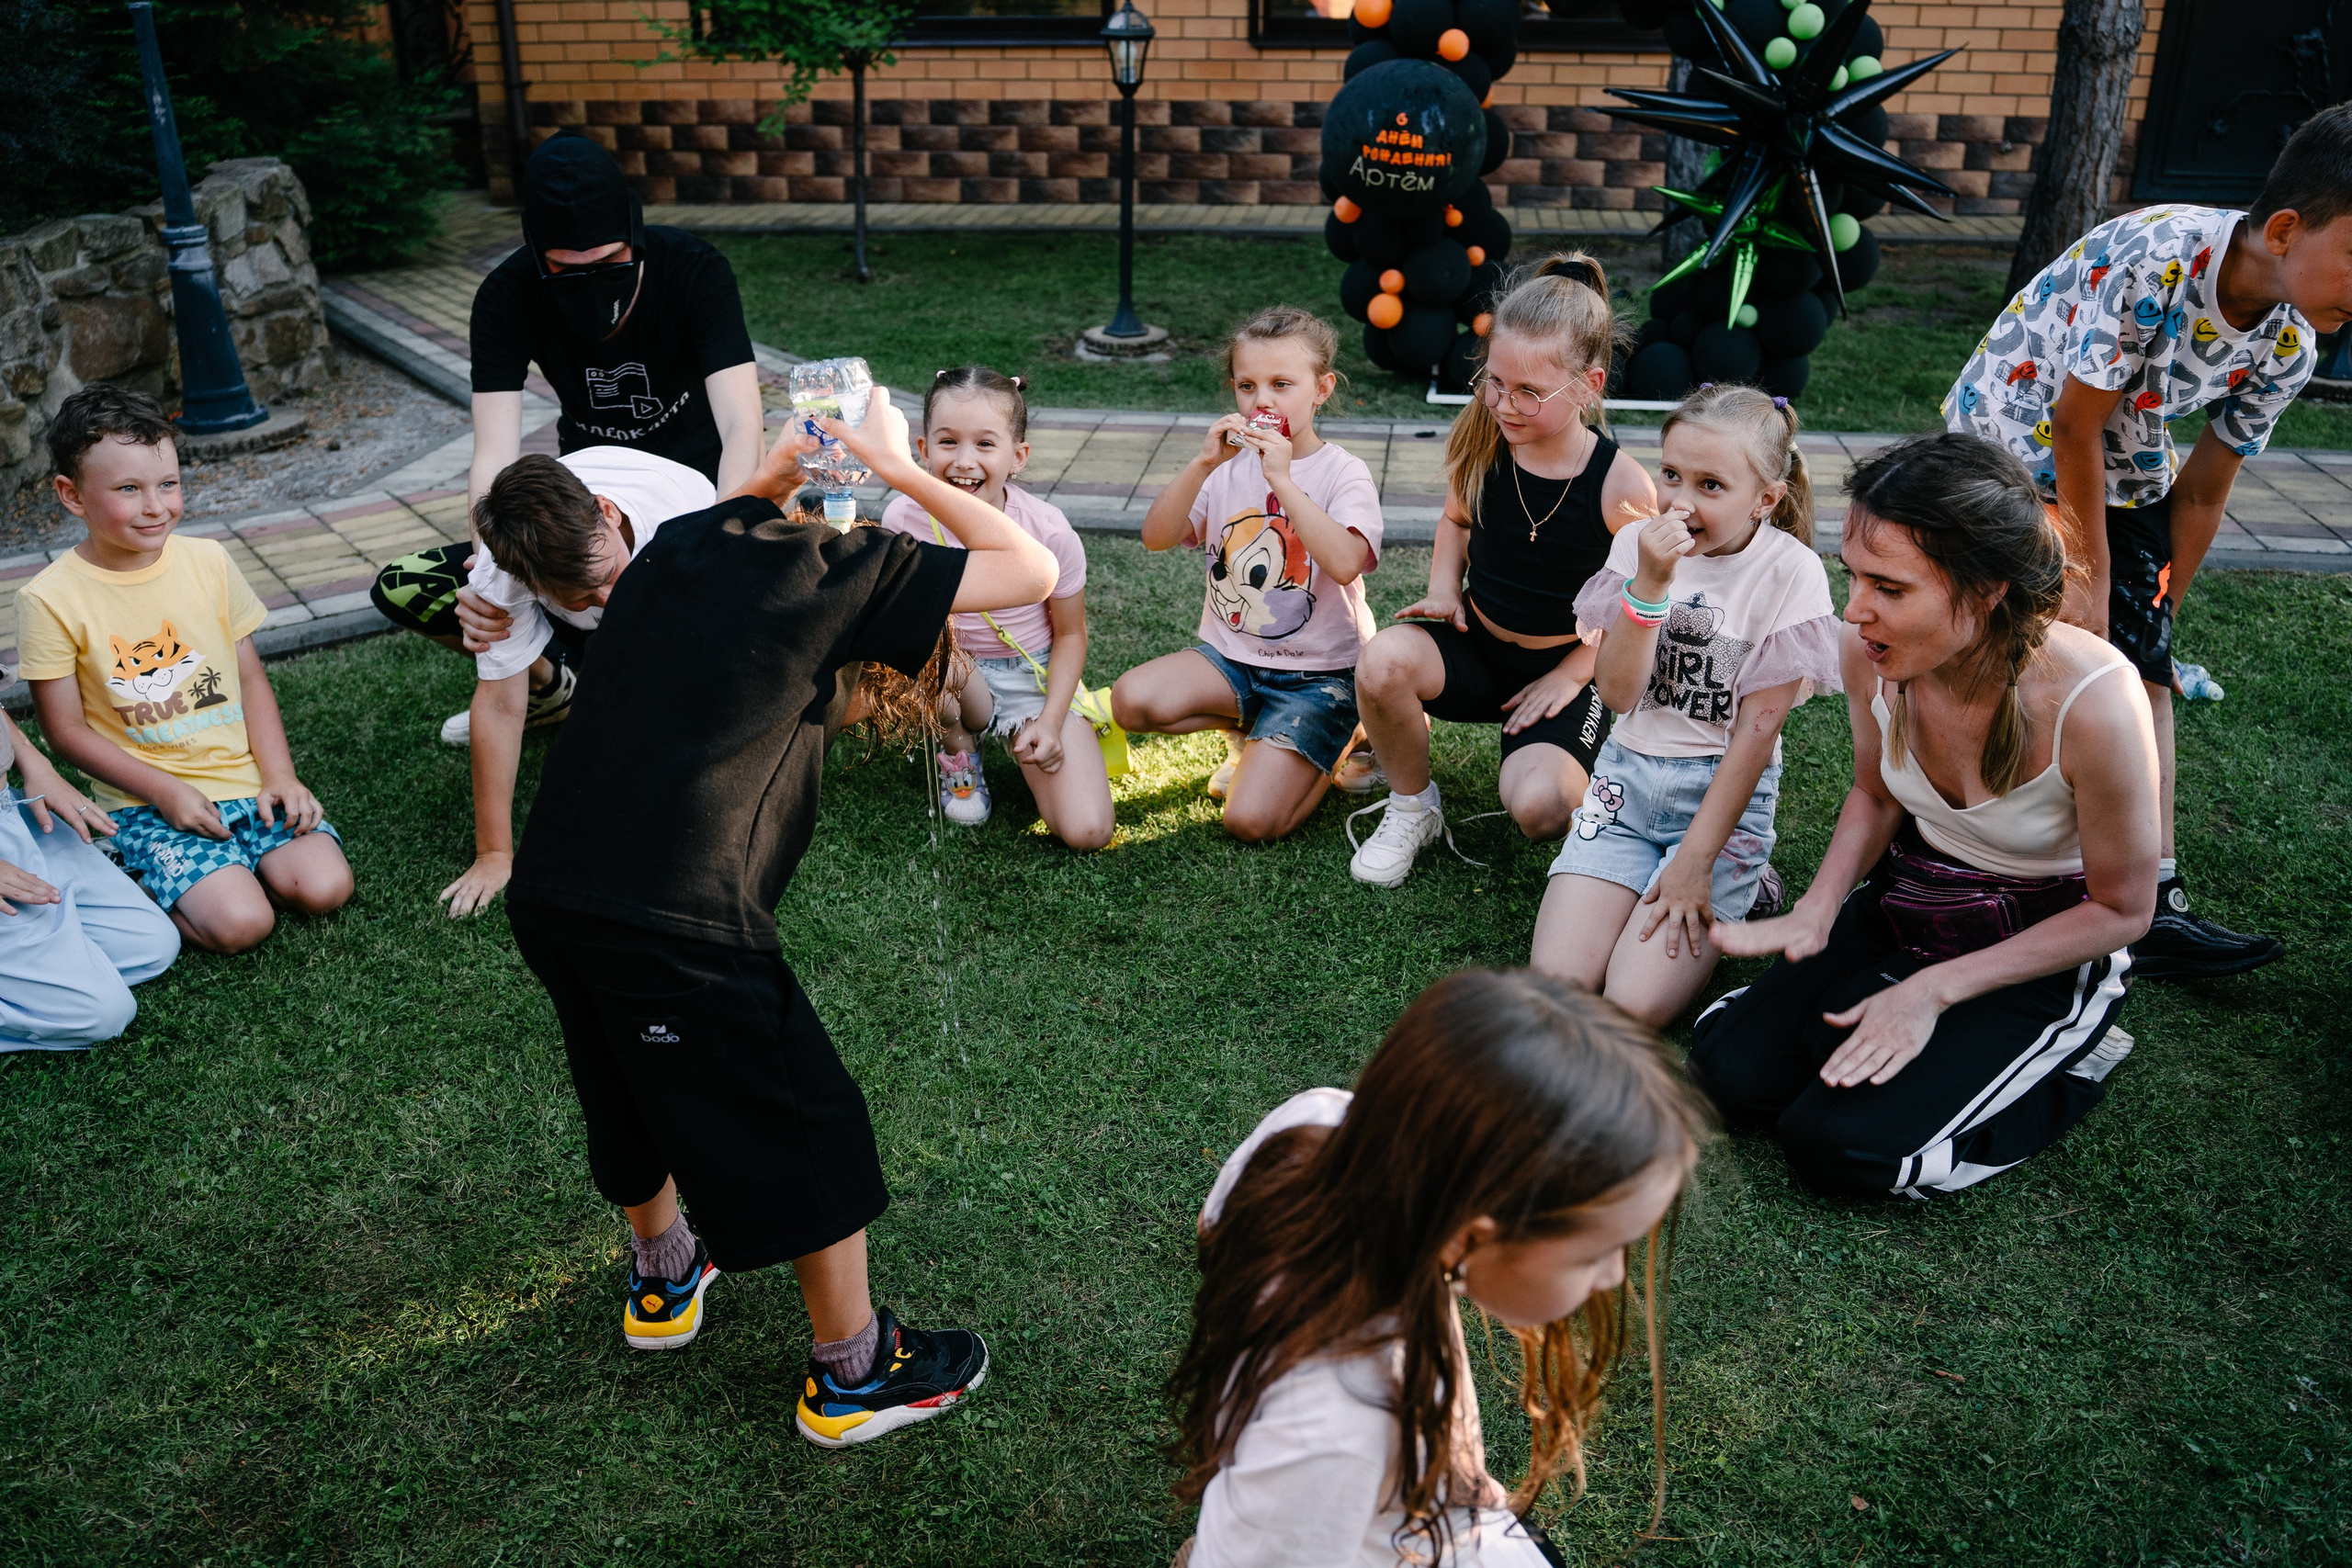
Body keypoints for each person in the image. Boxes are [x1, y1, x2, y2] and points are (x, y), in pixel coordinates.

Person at [501, 381, 1059, 1447]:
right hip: (678, 917)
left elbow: (751, 489)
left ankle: (665, 1275)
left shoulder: (672, 549)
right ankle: (854, 1375)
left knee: (621, 1087)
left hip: (553, 890)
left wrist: (791, 461)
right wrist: (900, 468)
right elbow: (1026, 570)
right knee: (809, 1123)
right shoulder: (837, 571)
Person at [1939, 104, 2352, 979]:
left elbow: (2202, 493)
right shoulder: (2160, 259)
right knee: (1999, 640)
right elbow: (2072, 424)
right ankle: (1940, 852)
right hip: (2013, 432)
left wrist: (2153, 613)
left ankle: (2151, 896)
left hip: (2125, 466)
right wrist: (2085, 581)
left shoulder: (2288, 347)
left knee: (2142, 674)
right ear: (2284, 229)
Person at [1691, 434, 2159, 1199]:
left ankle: (2074, 1056)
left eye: (1890, 587)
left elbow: (2124, 907)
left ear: (1986, 592)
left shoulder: (2097, 700)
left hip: (2041, 946)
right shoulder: (1865, 649)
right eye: (1854, 577)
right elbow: (1874, 794)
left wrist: (1935, 990)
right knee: (1727, 1076)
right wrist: (1816, 909)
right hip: (1909, 905)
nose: (1855, 609)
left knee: (1841, 1150)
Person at [1166, 970, 1706, 1567]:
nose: (1610, 1277)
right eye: (1592, 1253)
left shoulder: (1322, 1123)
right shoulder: (1335, 1431)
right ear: (1470, 1236)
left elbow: (1209, 1227)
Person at [370, 131, 763, 748]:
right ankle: (550, 685)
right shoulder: (505, 294)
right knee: (406, 585)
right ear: (535, 252)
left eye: (608, 265)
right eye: (563, 271)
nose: (588, 283)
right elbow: (494, 453)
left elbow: (743, 422)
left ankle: (628, 669)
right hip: (585, 515)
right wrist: (489, 571)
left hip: (694, 501)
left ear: (633, 235)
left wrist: (724, 537)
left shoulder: (694, 270)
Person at [1530, 386, 1839, 1029]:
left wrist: (1697, 863)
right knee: (1558, 986)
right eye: (1671, 474)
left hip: (1720, 798)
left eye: (1710, 486)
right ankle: (1655, 874)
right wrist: (1650, 584)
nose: (1679, 502)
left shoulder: (1792, 572)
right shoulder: (1639, 547)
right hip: (1623, 785)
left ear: (1766, 498)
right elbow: (1616, 695)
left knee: (1632, 1003)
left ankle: (1744, 882)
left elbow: (1754, 739)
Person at [1348, 254, 1657, 889]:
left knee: (1541, 808)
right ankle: (1413, 805)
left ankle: (1608, 782)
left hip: (1567, 668)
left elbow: (1639, 606)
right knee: (1380, 663)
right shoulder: (1486, 439)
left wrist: (1576, 673)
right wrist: (1442, 590)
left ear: (1588, 385)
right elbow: (1455, 523)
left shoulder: (1622, 486)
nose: (1504, 404)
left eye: (1528, 393)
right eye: (1494, 382)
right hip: (1477, 646)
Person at [21, 388, 354, 956]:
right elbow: (65, 731)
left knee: (325, 889)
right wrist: (166, 791)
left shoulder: (209, 561)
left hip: (246, 785)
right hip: (148, 803)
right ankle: (127, 871)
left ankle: (226, 872)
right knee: (241, 925)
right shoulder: (48, 599)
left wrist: (280, 776)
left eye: (168, 484)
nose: (156, 506)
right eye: (129, 489)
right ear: (71, 495)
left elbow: (249, 679)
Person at [1111, 307, 1385, 843]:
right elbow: (1156, 537)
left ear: (1322, 388)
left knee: (1248, 821)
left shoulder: (1342, 471)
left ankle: (1348, 729)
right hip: (1232, 662)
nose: (1262, 401)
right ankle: (1261, 734)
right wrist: (1202, 465)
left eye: (1282, 384)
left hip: (1321, 676)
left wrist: (1281, 478)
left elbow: (1346, 561)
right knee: (1131, 700)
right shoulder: (1226, 471)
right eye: (1247, 385)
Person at [431, 448, 717, 916]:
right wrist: (494, 854)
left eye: (606, 575)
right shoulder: (503, 573)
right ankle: (565, 680)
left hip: (689, 586)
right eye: (584, 595)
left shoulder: (688, 513)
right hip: (572, 619)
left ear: (607, 512)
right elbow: (501, 707)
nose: (609, 597)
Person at [878, 367, 1113, 851]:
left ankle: (1038, 730)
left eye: (986, 444)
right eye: (947, 442)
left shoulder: (1048, 530)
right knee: (936, 660)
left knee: (1088, 831)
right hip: (953, 675)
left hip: (1030, 677)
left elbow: (1070, 635)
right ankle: (959, 752)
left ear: (1017, 456)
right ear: (923, 451)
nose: (964, 461)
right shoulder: (902, 518)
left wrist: (1050, 722)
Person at [0, 705, 178, 1051]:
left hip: (9, 814)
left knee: (152, 946)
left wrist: (35, 762)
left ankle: (57, 957)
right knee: (102, 1016)